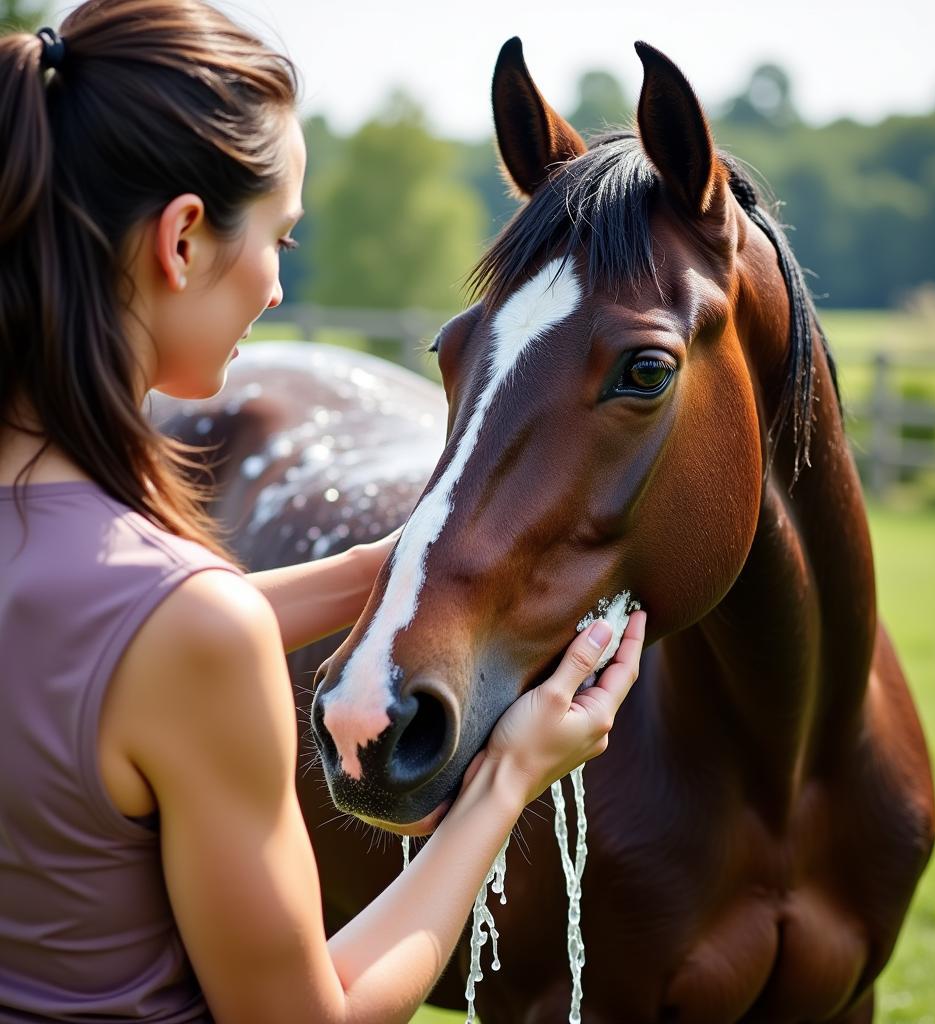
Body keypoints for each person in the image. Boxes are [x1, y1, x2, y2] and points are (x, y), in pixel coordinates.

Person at [0, 2, 646, 1021]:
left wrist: (369, 572)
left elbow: (67, 647)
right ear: (181, 238)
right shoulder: (188, 630)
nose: (273, 286)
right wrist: (505, 778)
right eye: (280, 237)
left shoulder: (130, 607)